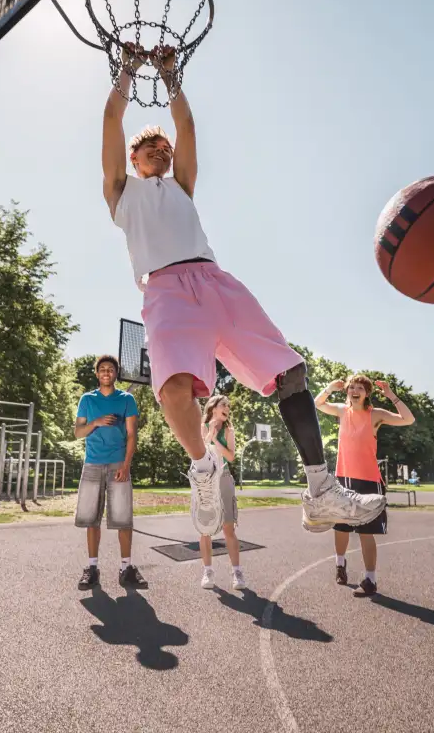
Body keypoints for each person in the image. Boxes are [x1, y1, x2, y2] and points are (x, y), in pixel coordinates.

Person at [101, 43, 384, 538]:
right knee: (172, 393)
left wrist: (171, 78)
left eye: (165, 149)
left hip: (215, 282)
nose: (163, 152)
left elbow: (186, 129)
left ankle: (320, 490)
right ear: (133, 157)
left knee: (292, 372)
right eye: (152, 148)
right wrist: (127, 70)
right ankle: (204, 469)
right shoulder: (122, 192)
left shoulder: (183, 186)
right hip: (167, 291)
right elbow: (111, 118)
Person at [314, 374, 415, 596]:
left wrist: (390, 395)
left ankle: (370, 579)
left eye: (360, 387)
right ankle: (340, 565)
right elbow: (317, 404)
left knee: (365, 532)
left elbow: (408, 419)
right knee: (340, 527)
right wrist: (330, 387)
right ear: (347, 391)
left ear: (367, 393)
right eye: (351, 387)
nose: (355, 390)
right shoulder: (342, 411)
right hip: (343, 480)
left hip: (368, 481)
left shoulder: (375, 415)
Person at [74, 355, 147, 590]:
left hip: (118, 464)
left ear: (116, 373)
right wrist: (95, 422)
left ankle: (126, 568)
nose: (106, 372)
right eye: (102, 369)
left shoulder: (127, 399)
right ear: (97, 373)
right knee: (91, 519)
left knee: (123, 519)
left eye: (111, 369)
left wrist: (126, 465)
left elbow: (132, 434)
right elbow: (78, 433)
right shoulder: (87, 399)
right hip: (92, 464)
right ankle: (92, 568)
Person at [198, 395, 246, 591]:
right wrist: (209, 434)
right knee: (205, 529)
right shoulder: (202, 427)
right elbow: (200, 452)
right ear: (214, 407)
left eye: (228, 405)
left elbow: (231, 456)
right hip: (206, 479)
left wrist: (217, 442)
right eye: (223, 404)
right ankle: (208, 571)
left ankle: (237, 572)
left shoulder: (229, 430)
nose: (227, 408)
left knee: (228, 529)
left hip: (224, 477)